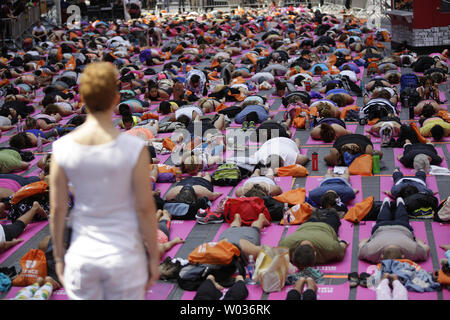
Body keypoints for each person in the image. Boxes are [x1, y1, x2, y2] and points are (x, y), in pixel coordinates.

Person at [49, 62, 160, 300]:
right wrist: (152, 256)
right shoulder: (134, 148)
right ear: (115, 99)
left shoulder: (62, 147)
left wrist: (59, 256)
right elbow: (144, 208)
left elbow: (58, 209)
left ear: (83, 98)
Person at [358, 197, 430, 263]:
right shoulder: (370, 251)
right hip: (383, 227)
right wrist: (366, 241)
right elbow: (361, 245)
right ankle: (387, 204)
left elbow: (426, 248)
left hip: (402, 227)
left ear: (382, 256)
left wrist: (419, 243)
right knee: (383, 218)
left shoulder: (371, 252)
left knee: (402, 217)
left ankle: (399, 204)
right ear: (403, 256)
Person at [278, 206, 348, 271]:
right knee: (328, 213)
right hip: (308, 224)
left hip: (326, 226)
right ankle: (322, 210)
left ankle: (326, 210)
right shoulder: (285, 245)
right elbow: (342, 245)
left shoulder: (330, 248)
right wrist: (342, 242)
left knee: (332, 213)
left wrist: (342, 242)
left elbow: (342, 246)